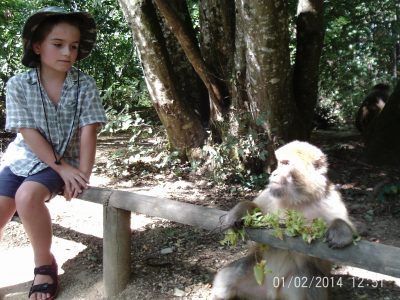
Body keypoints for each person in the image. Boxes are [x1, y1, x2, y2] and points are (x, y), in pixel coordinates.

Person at [0, 7, 107, 300]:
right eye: (57, 44)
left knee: (27, 197)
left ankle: (43, 265)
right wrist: (61, 169)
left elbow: (89, 129)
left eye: (73, 46)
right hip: (26, 157)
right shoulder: (18, 84)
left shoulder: (83, 84)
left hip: (64, 160)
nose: (67, 52)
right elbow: (27, 132)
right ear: (37, 46)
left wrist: (82, 173)